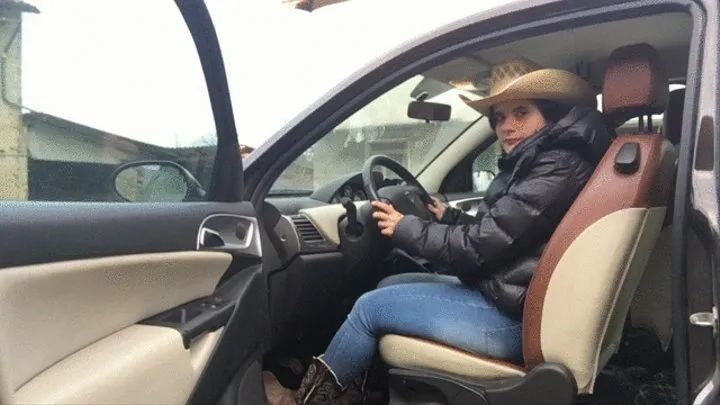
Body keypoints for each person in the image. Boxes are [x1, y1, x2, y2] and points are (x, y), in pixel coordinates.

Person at [263, 57, 615, 405]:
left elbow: (481, 246)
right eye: (500, 117)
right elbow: (505, 234)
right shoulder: (552, 161)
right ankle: (360, 395)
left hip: (512, 322)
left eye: (521, 113)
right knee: (389, 285)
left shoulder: (556, 166)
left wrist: (405, 227)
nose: (507, 126)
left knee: (369, 307)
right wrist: (448, 218)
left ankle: (301, 401)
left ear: (549, 115)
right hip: (514, 301)